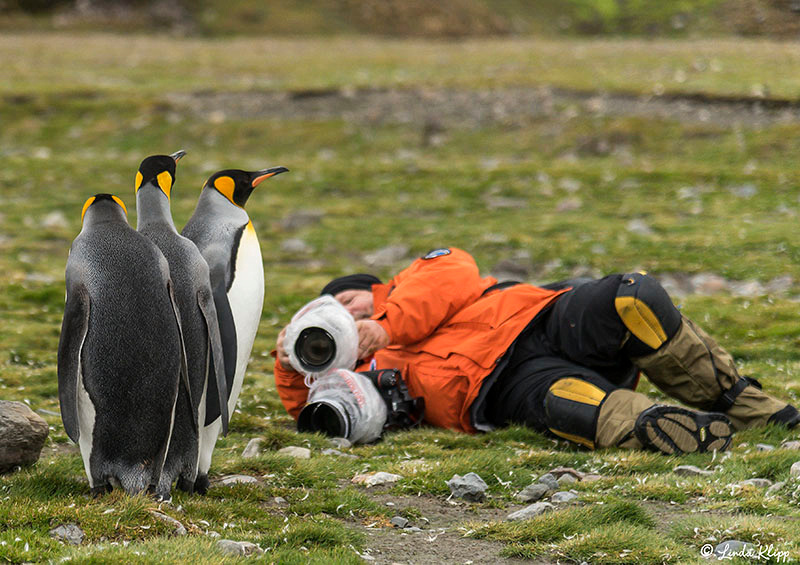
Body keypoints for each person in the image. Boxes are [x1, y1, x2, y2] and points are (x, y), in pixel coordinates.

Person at [274, 247, 799, 455]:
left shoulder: (415, 284)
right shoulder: (355, 370)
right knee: (575, 406)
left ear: (372, 285)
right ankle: (680, 429)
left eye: (346, 299)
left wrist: (385, 321)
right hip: (494, 390)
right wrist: (290, 360)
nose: (345, 313)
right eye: (330, 311)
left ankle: (743, 403)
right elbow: (313, 412)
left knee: (633, 297)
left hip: (539, 318)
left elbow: (451, 269)